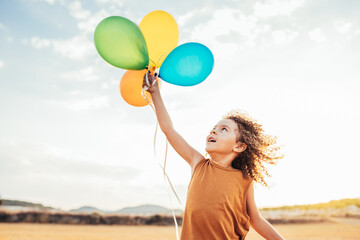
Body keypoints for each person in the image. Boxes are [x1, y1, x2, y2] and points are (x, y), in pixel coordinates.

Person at [142, 71, 286, 240]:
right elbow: (168, 129)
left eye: (223, 129)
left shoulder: (244, 179)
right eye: (214, 128)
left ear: (239, 146)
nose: (214, 130)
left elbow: (256, 220)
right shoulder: (198, 163)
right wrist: (155, 93)